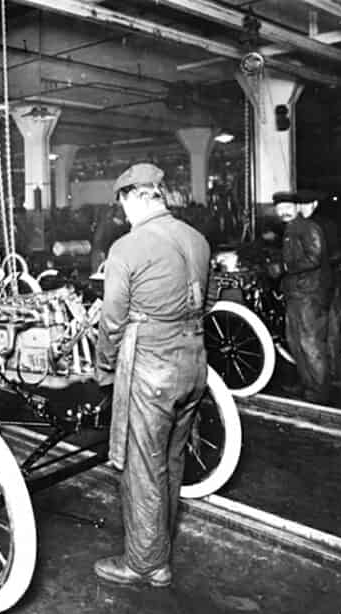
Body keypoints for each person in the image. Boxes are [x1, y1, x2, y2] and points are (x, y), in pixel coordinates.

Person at [93, 163, 210, 588]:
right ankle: (159, 546)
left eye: (123, 202)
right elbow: (203, 302)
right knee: (171, 459)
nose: (122, 212)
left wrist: (104, 368)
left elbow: (112, 321)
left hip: (152, 366)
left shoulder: (127, 247)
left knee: (143, 465)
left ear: (134, 197)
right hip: (195, 362)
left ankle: (145, 563)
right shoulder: (197, 239)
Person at [274, 191, 332, 404]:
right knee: (296, 341)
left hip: (309, 294)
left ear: (298, 207)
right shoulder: (291, 229)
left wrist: (285, 267)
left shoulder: (307, 228)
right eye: (279, 209)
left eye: (288, 207)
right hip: (297, 293)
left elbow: (314, 257)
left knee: (310, 343)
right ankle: (308, 384)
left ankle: (319, 393)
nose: (283, 212)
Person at [302, 192, 341, 385]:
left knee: (315, 335)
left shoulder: (311, 227)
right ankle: (336, 376)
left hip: (320, 284)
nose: (303, 208)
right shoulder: (328, 224)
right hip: (332, 281)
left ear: (315, 203)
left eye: (307, 203)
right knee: (332, 331)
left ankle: (320, 381)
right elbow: (337, 254)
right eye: (300, 204)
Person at [91, 203, 130, 274]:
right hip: (112, 258)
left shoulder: (107, 225)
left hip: (111, 258)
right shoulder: (123, 226)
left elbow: (98, 240)